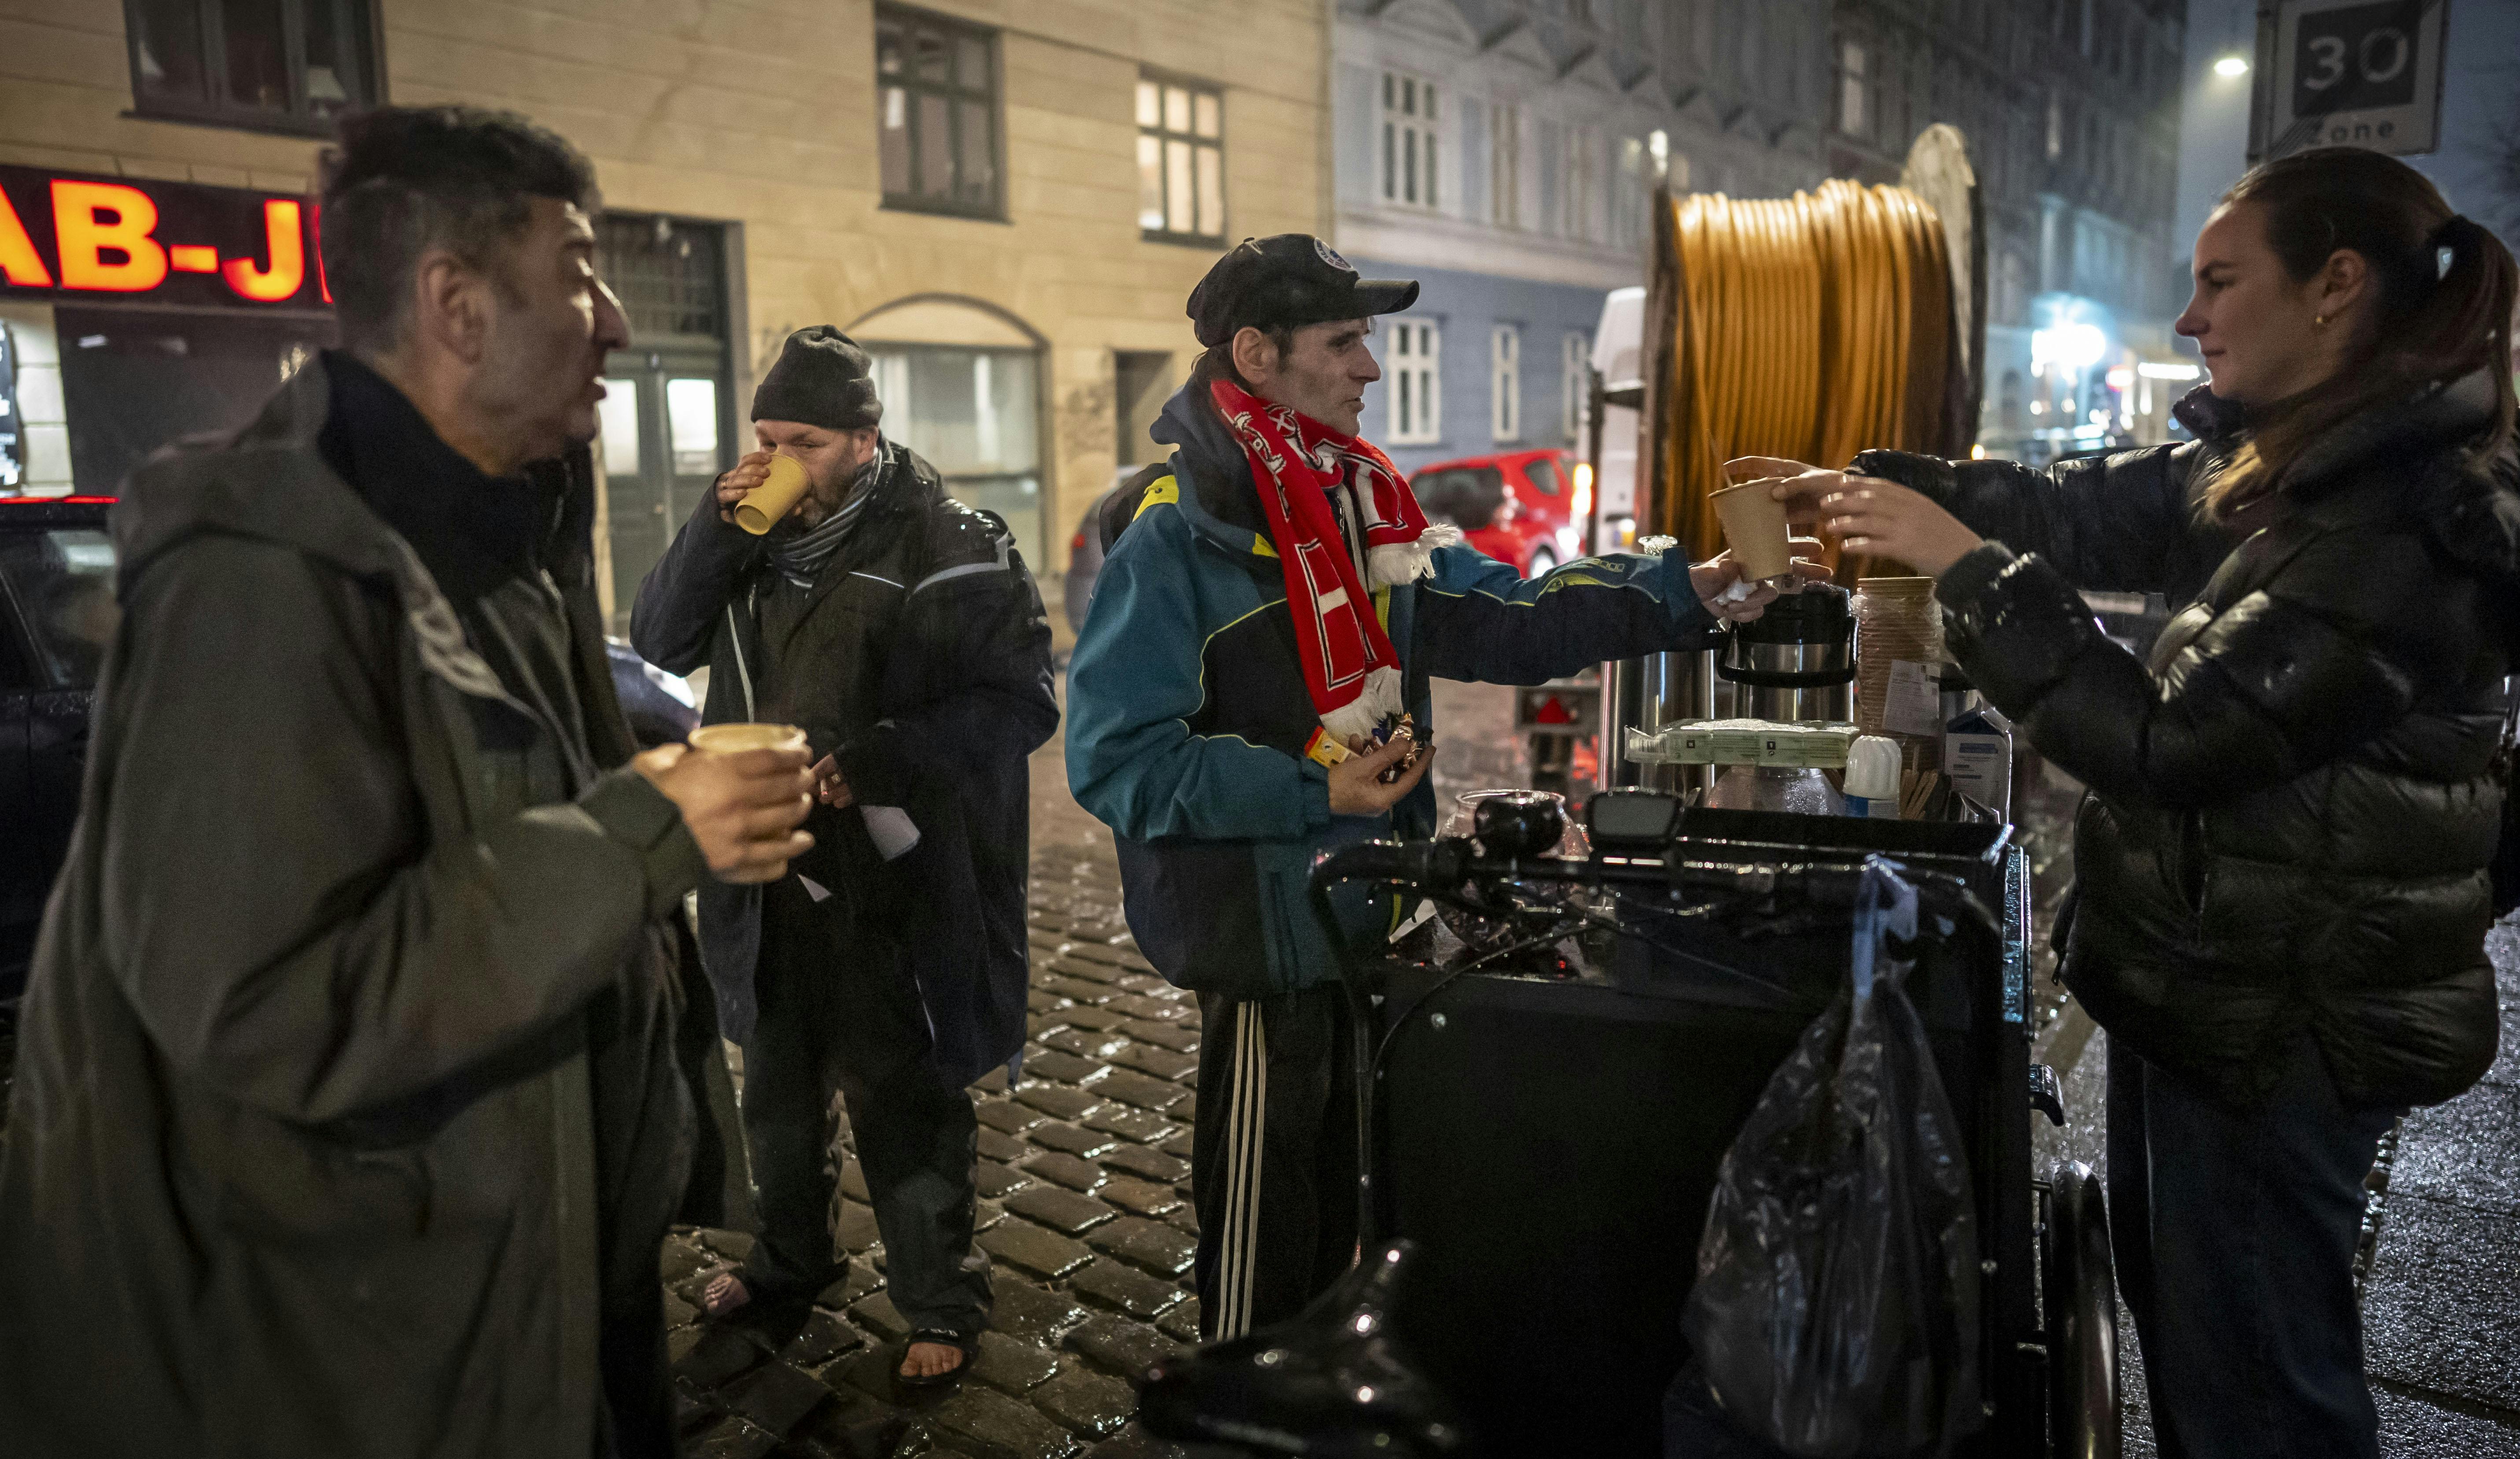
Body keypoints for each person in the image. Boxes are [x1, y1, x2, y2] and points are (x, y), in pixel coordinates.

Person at [0, 105, 817, 1457]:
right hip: (383, 1341)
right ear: (455, 303)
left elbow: (480, 826)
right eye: (577, 267)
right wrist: (642, 831)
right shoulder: (257, 580)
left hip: (541, 1288)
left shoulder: (500, 523)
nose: (613, 317)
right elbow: (261, 1001)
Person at [1738, 145, 2519, 1459]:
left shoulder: (2401, 522)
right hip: (2213, 982)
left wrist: (1966, 572)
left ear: (2334, 286)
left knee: (2261, 1392)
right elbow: (2073, 503)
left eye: (2221, 281)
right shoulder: (2290, 464)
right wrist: (1877, 483)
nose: (2189, 317)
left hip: (2283, 1021)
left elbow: (2167, 744)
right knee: (2202, 1356)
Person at [1065, 233, 1823, 1341]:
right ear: (1256, 354)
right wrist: (1314, 792)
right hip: (1267, 936)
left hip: (1376, 912)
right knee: (1264, 1227)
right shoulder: (1174, 537)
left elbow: (1508, 614)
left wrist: (1684, 590)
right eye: (1345, 343)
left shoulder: (1363, 501)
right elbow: (1119, 761)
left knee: (1359, 1200)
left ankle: (1335, 1385)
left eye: (1369, 341)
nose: (1372, 369)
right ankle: (1244, 1403)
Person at [630, 326, 1057, 1387]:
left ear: (866, 438)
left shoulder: (951, 537)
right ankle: (789, 1262)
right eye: (764, 436)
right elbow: (658, 639)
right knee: (772, 1085)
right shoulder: (747, 537)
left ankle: (939, 1297)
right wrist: (713, 526)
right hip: (765, 866)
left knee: (900, 1095)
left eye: (805, 440)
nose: (778, 459)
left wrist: (891, 757)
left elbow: (1020, 701)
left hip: (892, 880)